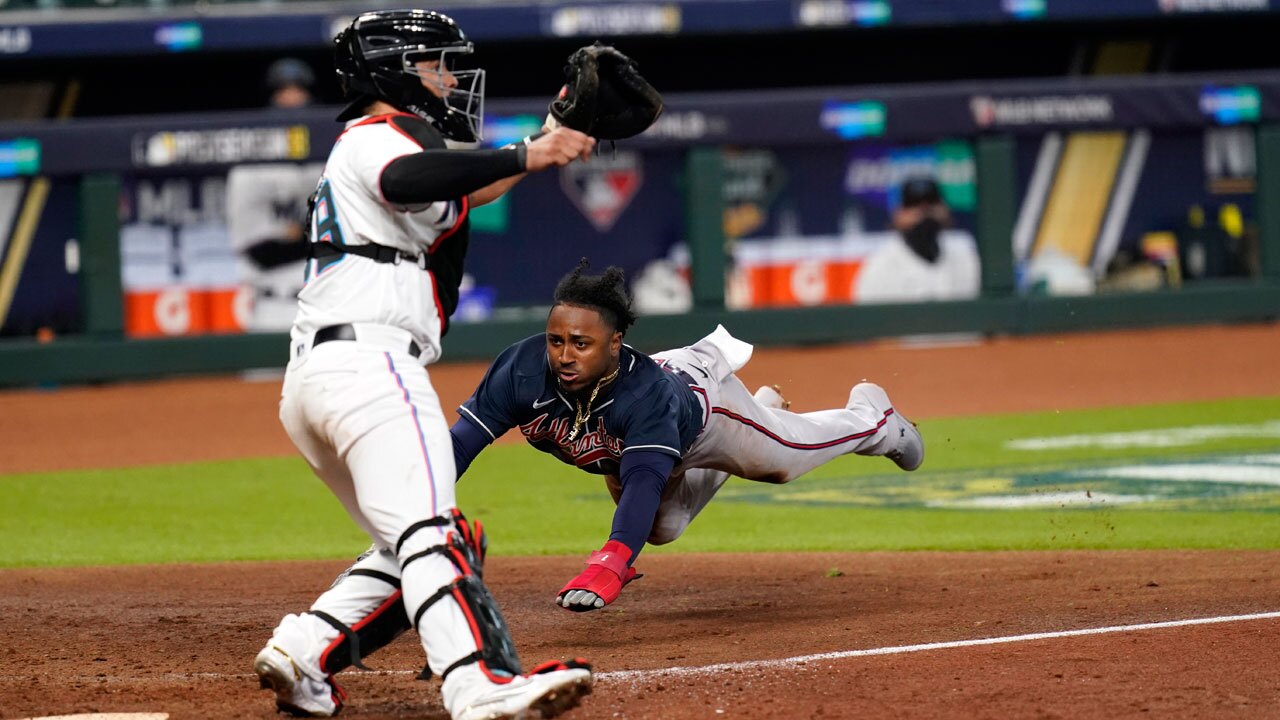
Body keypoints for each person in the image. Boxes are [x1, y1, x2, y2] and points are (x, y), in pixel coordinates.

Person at [252, 10, 597, 720]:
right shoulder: (379, 139)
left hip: (326, 374)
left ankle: (303, 647)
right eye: (436, 65)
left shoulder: (378, 150)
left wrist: (546, 139)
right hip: (371, 365)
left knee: (417, 540)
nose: (449, 79)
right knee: (432, 535)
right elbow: (414, 175)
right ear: (393, 74)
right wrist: (525, 153)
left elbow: (456, 188)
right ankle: (476, 683)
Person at [449, 260, 925, 612]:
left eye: (582, 343)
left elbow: (641, 483)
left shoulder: (645, 398)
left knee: (786, 461)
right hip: (647, 445)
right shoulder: (520, 371)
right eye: (557, 341)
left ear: (615, 343)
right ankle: (770, 405)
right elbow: (459, 444)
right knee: (662, 529)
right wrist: (407, 514)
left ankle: (873, 419)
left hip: (706, 411)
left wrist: (611, 560)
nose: (565, 355)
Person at [224, 58, 322, 331]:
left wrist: (297, 236)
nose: (291, 98)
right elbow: (260, 253)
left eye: (298, 90)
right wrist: (315, 237)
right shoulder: (250, 168)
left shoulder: (332, 160)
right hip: (273, 307)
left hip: (326, 304)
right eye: (283, 91)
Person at [855, 176, 981, 304]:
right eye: (913, 204)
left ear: (945, 209)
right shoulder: (879, 267)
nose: (924, 209)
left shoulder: (965, 254)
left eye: (931, 202)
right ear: (898, 215)